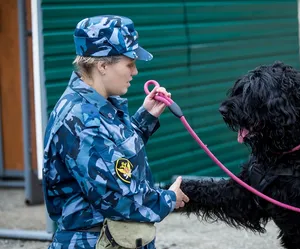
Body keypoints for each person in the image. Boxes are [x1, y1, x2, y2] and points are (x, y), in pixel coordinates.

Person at [42, 15, 189, 249]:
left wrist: (145, 118)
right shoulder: (82, 120)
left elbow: (114, 158)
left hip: (111, 238)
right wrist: (169, 199)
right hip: (95, 241)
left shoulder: (97, 104)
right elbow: (119, 198)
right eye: (129, 63)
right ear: (102, 65)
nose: (135, 71)